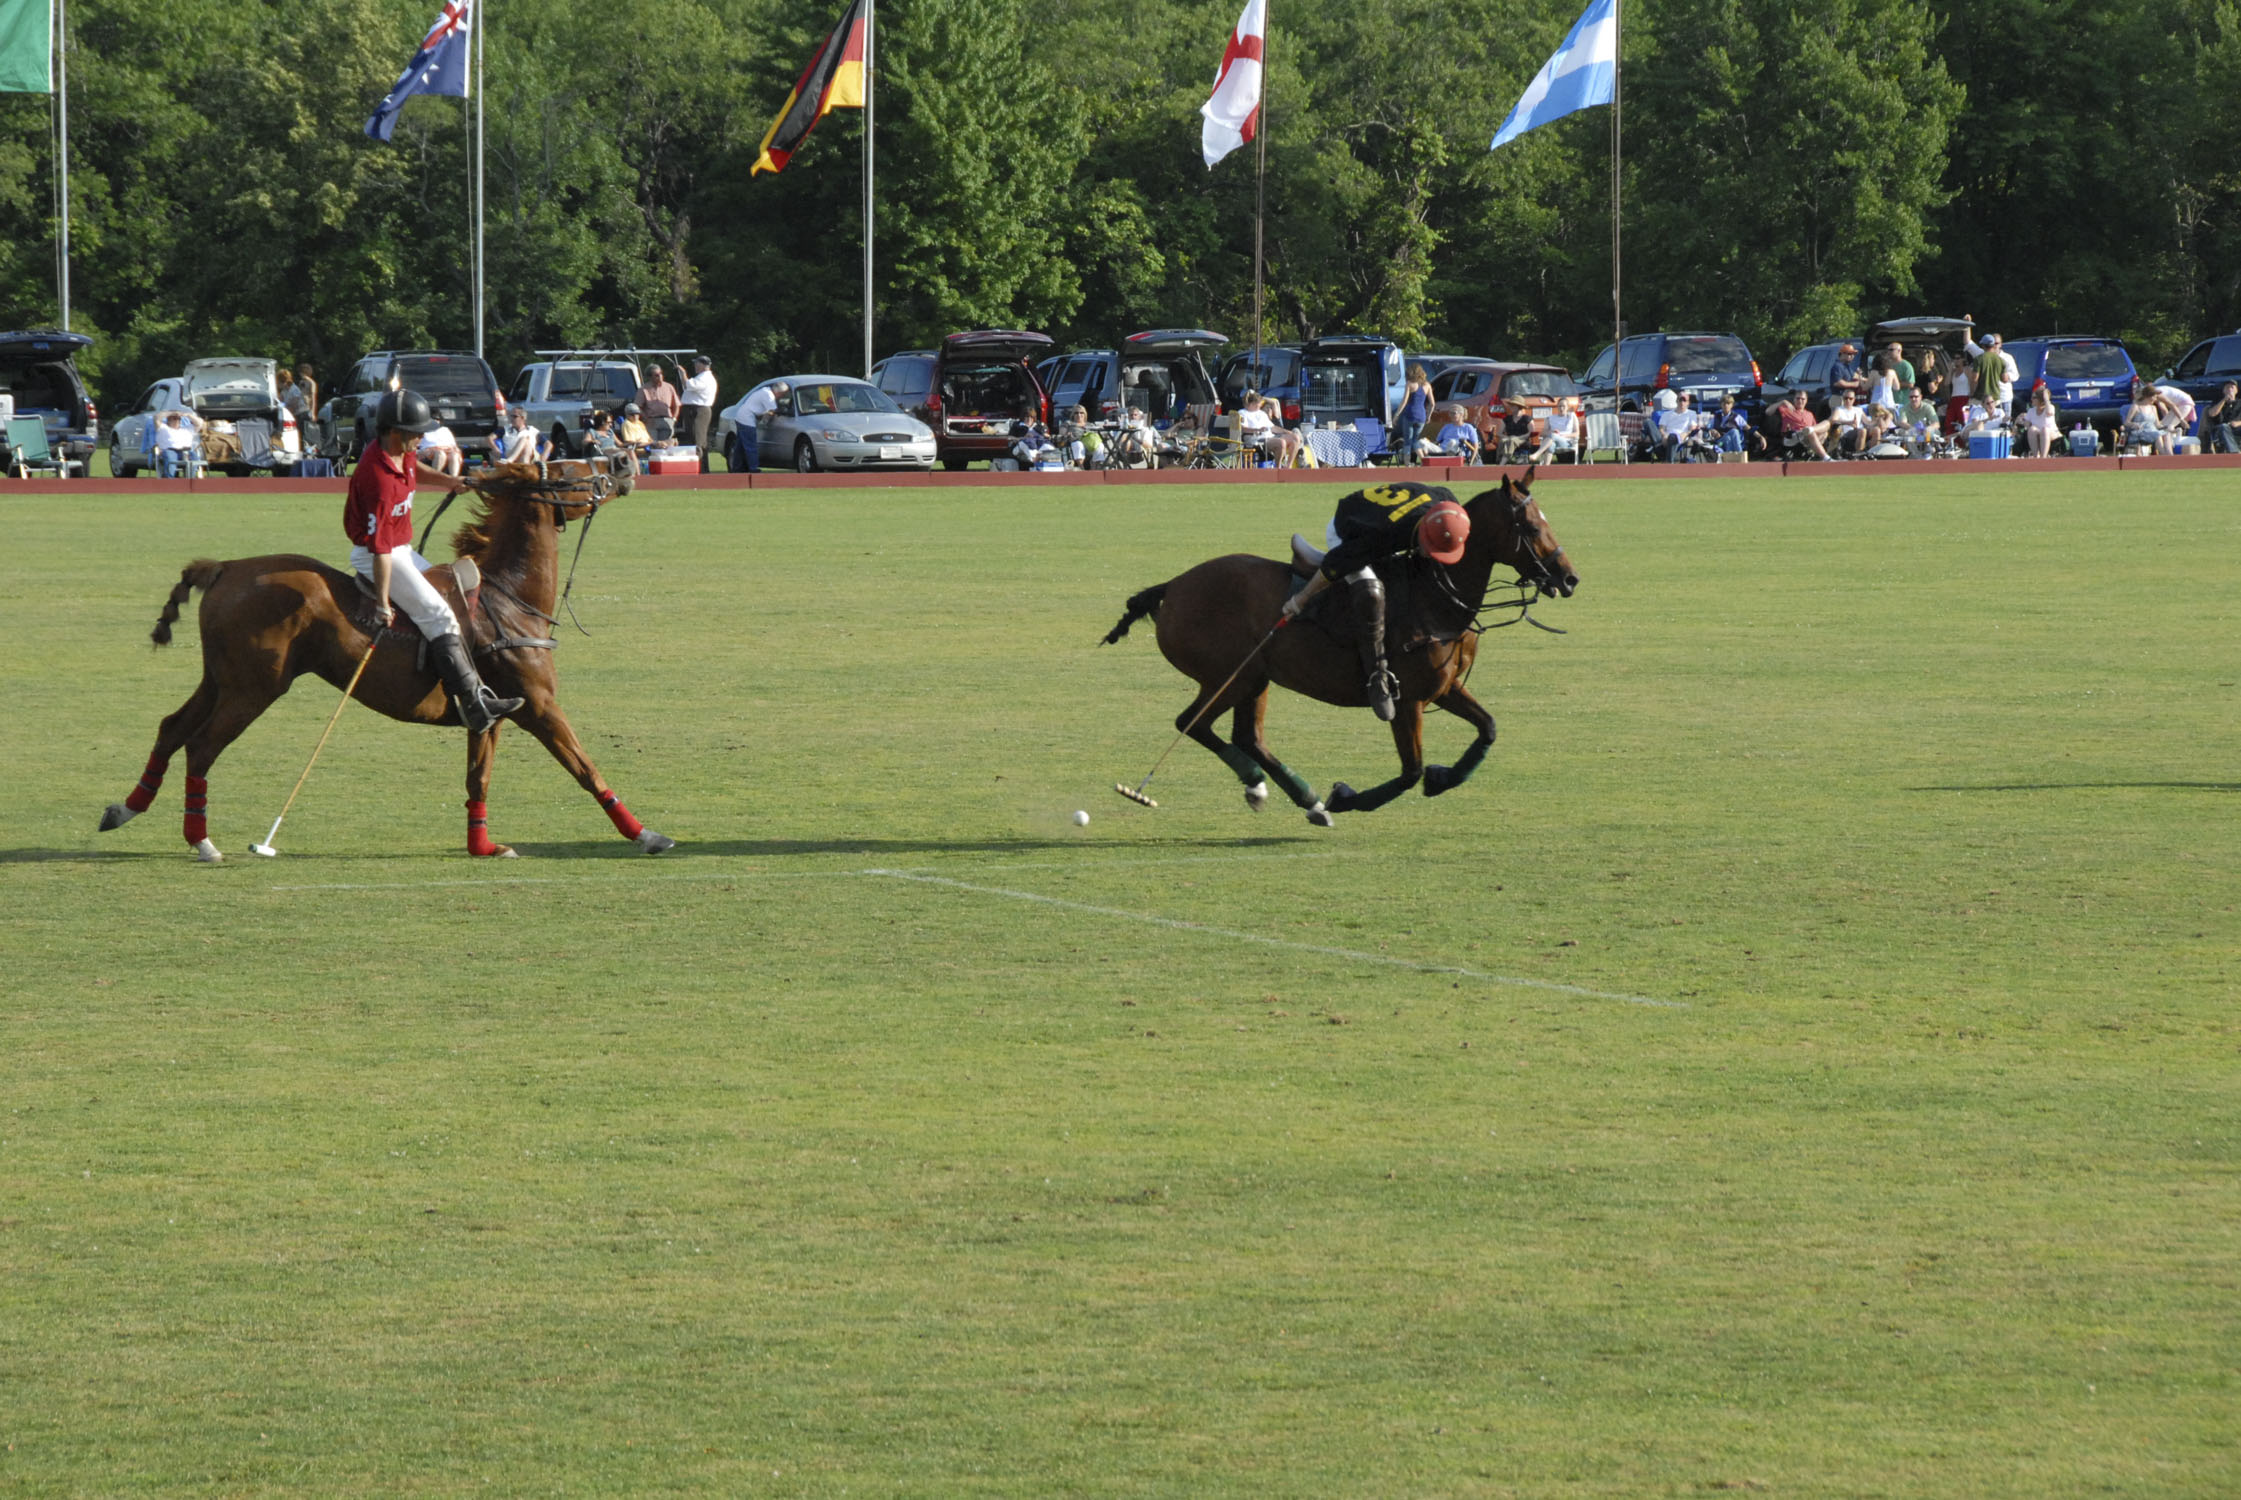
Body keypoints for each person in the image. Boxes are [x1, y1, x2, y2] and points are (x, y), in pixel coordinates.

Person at [343, 389, 521, 735]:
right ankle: (474, 703)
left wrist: (450, 481)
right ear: (396, 432)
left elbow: (416, 469)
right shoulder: (378, 477)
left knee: (452, 592)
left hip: (398, 548)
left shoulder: (398, 453)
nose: (423, 437)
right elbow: (379, 550)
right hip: (378, 555)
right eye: (417, 431)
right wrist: (381, 602)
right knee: (437, 613)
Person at [1279, 482, 1470, 722]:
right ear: (1421, 533)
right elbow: (1335, 565)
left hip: (1383, 511)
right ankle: (1377, 677)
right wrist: (1300, 599)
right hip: (1348, 525)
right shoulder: (1382, 536)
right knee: (1370, 591)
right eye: (1430, 547)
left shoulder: (1447, 505)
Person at [724, 381, 787, 472]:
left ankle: (737, 468)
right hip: (747, 419)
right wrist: (765, 421)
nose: (782, 396)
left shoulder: (765, 390)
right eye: (783, 394)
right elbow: (773, 410)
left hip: (741, 416)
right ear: (779, 392)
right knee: (751, 445)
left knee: (740, 446)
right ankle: (753, 468)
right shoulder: (769, 396)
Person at [1236, 390, 1301, 466]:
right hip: (1255, 439)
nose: (1260, 406)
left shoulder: (1261, 413)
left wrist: (1287, 432)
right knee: (1281, 442)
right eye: (1259, 404)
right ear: (1252, 404)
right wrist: (1258, 430)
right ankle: (1278, 467)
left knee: (1295, 437)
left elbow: (1272, 427)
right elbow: (1242, 428)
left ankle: (1288, 466)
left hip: (1269, 437)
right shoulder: (1242, 413)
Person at [677, 355, 718, 472]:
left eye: (697, 363)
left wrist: (682, 372)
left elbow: (687, 385)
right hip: (695, 410)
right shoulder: (702, 377)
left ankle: (700, 469)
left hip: (698, 410)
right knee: (697, 439)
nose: (695, 365)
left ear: (703, 365)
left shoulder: (705, 378)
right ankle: (702, 469)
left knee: (697, 440)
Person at [1965, 329, 2017, 418]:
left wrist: (1971, 393)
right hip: (1996, 397)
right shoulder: (2000, 360)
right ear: (1993, 345)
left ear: (1983, 346)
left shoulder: (1979, 359)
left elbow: (1974, 379)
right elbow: (2004, 379)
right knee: (2000, 422)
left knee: (1978, 420)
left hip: (1981, 397)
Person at [1391, 364, 1433, 465]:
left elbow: (1404, 401)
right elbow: (1432, 403)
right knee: (1415, 440)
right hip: (1421, 416)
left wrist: (1396, 415)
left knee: (1407, 441)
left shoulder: (1409, 384)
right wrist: (1429, 415)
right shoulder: (1427, 385)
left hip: (1409, 415)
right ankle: (1424, 460)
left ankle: (1407, 463)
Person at [1777, 389, 1833, 460]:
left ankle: (1811, 447)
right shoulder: (1787, 410)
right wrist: (1782, 402)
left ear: (1806, 401)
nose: (1800, 401)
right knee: (1811, 432)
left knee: (1825, 432)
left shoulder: (1809, 414)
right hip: (1792, 436)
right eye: (1798, 398)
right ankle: (1826, 458)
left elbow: (1816, 428)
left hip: (1807, 437)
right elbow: (1768, 411)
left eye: (1803, 399)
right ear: (1794, 400)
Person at [152, 408, 206, 477]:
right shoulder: (163, 428)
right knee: (170, 458)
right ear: (168, 420)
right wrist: (172, 413)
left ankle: (190, 479)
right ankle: (169, 480)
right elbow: (156, 418)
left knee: (194, 458)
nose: (177, 420)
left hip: (186, 451)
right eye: (174, 418)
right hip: (170, 450)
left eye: (179, 419)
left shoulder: (187, 429)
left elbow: (199, 423)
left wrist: (186, 415)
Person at [636, 364, 680, 442]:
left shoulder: (669, 387)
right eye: (656, 375)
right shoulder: (643, 389)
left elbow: (677, 404)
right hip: (652, 421)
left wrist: (674, 419)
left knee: (666, 446)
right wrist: (645, 418)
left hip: (667, 420)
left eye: (661, 373)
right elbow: (637, 407)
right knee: (653, 445)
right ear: (650, 377)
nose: (660, 376)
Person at [1652, 390, 1698, 461]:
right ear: (1676, 401)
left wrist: (1685, 434)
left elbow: (1692, 428)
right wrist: (1664, 435)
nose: (1682, 402)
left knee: (1672, 437)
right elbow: (1661, 428)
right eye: (1680, 400)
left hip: (1680, 437)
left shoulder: (1691, 413)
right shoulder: (1666, 414)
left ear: (1688, 403)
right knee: (1648, 422)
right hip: (1665, 436)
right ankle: (1659, 448)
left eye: (1684, 400)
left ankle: (1668, 460)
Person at [2121, 388, 2170, 454]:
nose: (2156, 399)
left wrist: (2167, 427)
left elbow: (2157, 424)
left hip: (2152, 431)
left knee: (2166, 433)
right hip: (2140, 431)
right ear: (2148, 396)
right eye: (2154, 397)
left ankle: (2169, 454)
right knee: (2157, 434)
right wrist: (2133, 424)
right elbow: (2126, 422)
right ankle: (2165, 454)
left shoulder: (2153, 408)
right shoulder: (2136, 407)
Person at [1714, 393, 1763, 459]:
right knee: (1733, 432)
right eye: (1724, 403)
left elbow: (1749, 429)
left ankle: (1730, 459)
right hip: (1720, 443)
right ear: (1721, 405)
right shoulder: (1716, 416)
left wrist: (1760, 437)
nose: (1726, 405)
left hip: (1732, 442)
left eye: (1728, 403)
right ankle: (1740, 455)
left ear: (1732, 405)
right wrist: (1713, 431)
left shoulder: (1737, 417)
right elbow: (1709, 429)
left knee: (1730, 437)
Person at [2017, 385, 2061, 456]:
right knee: (2032, 429)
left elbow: (2049, 412)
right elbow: (2027, 425)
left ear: (2041, 399)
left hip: (2051, 433)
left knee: (2045, 430)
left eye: (2034, 398)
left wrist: (2046, 398)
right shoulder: (2031, 411)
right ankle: (2035, 456)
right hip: (2038, 433)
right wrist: (2020, 421)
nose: (2031, 399)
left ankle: (2043, 457)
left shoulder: (2050, 408)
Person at [1826, 388, 1871, 456]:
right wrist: (1848, 422)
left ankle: (1874, 454)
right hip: (1845, 434)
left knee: (1876, 430)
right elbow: (1832, 420)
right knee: (1863, 431)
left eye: (1850, 398)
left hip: (1857, 431)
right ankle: (1859, 454)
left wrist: (1878, 421)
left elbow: (1868, 422)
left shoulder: (1858, 409)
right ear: (1843, 399)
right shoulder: (1839, 409)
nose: (1848, 400)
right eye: (1846, 398)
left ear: (1854, 399)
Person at [2201, 380, 2241, 454]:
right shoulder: (2218, 401)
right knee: (2223, 426)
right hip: (2221, 428)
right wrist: (2224, 400)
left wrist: (2238, 423)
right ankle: (2234, 452)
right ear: (2223, 391)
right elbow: (2212, 414)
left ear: (2236, 390)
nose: (2230, 389)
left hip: (2237, 427)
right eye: (2227, 387)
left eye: (2232, 387)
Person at [1541, 397, 1580, 461]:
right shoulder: (1550, 418)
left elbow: (1577, 433)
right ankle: (1546, 469)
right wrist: (1552, 432)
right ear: (1557, 407)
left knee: (1553, 436)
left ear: (1567, 407)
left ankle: (1537, 453)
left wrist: (1562, 435)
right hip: (1552, 441)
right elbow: (1543, 433)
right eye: (1559, 406)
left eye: (1563, 406)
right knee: (1551, 445)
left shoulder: (1571, 416)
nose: (1561, 408)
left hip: (1566, 442)